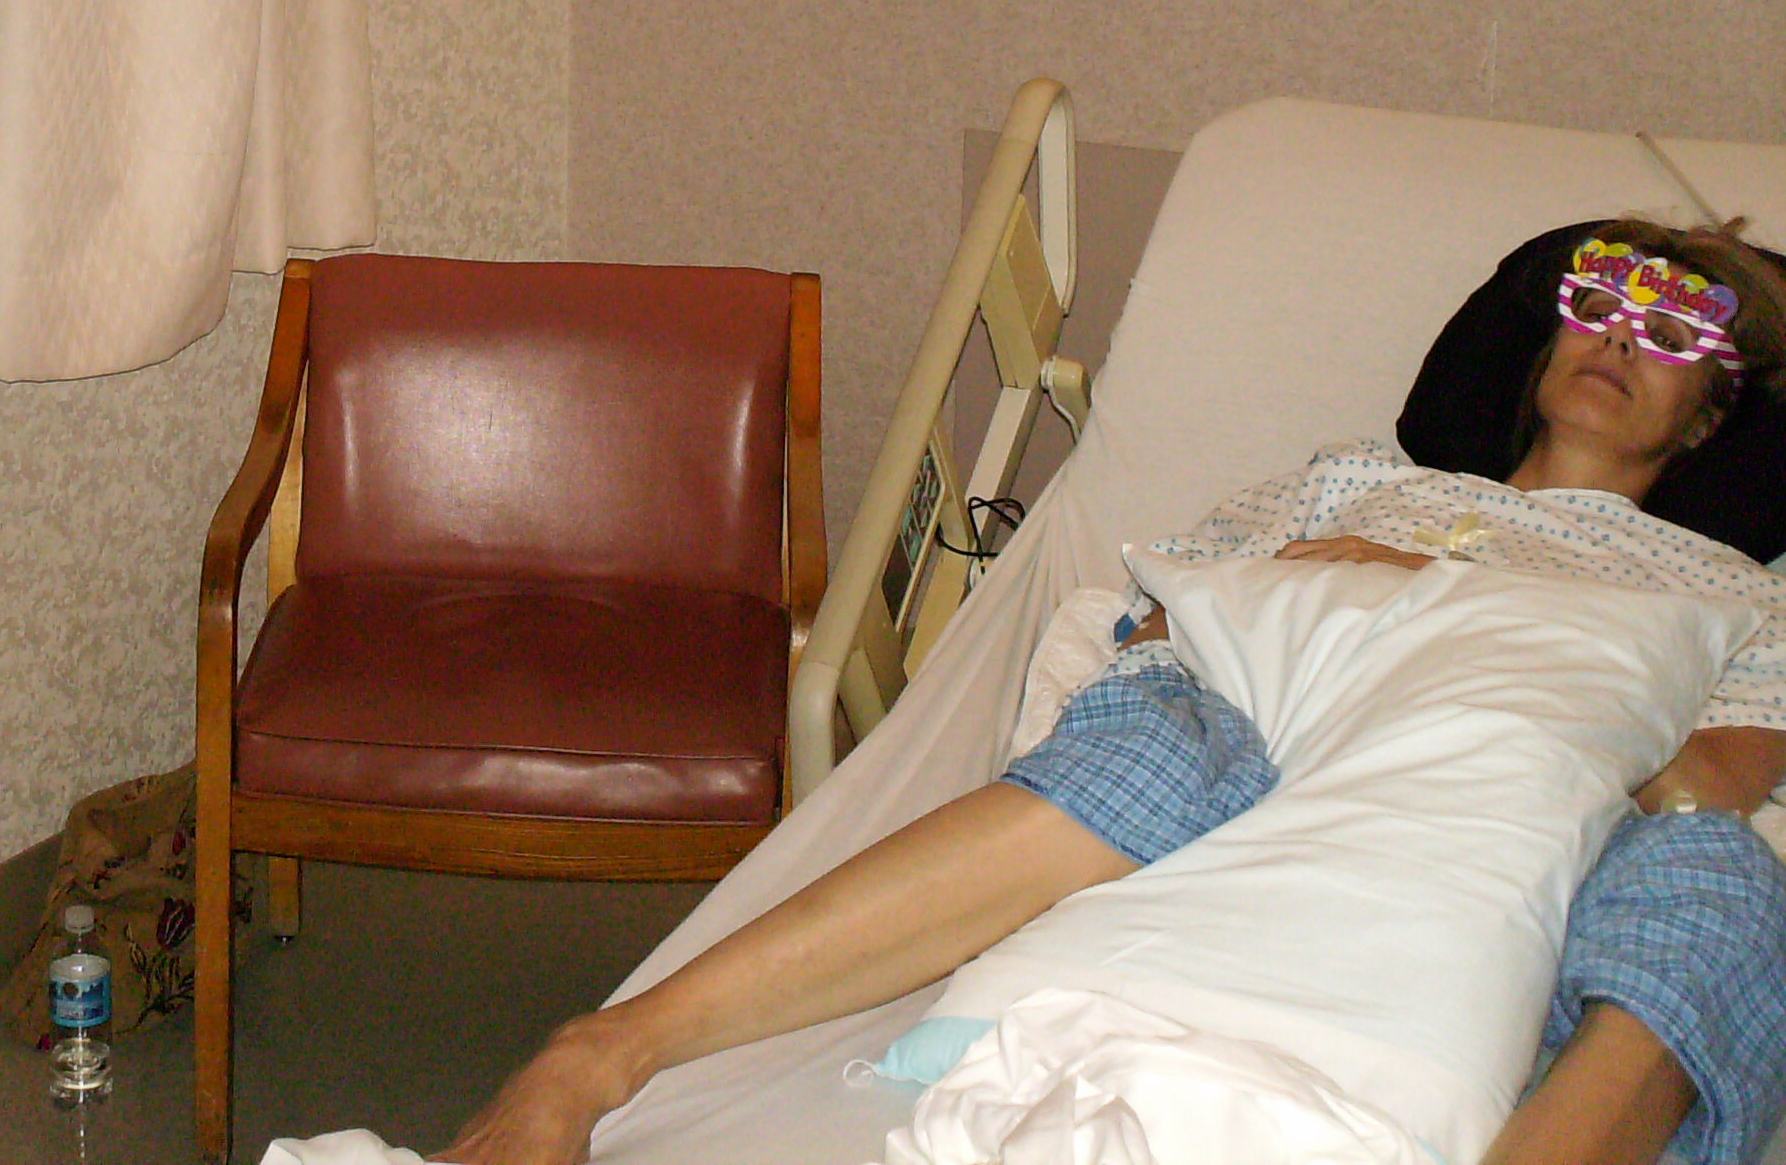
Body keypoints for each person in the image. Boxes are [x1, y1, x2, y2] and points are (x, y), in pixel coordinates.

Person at [442, 218, 1786, 1165]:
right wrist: (1368, 584)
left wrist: (1484, 635)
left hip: (1512, 797)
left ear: (1713, 419)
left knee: (1719, 879)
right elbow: (1161, 620)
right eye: (1598, 310)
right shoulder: (1355, 485)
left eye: (1674, 334)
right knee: (1163, 734)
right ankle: (600, 1054)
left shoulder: (1729, 591)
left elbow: (1717, 777)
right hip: (1260, 732)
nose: (1622, 341)